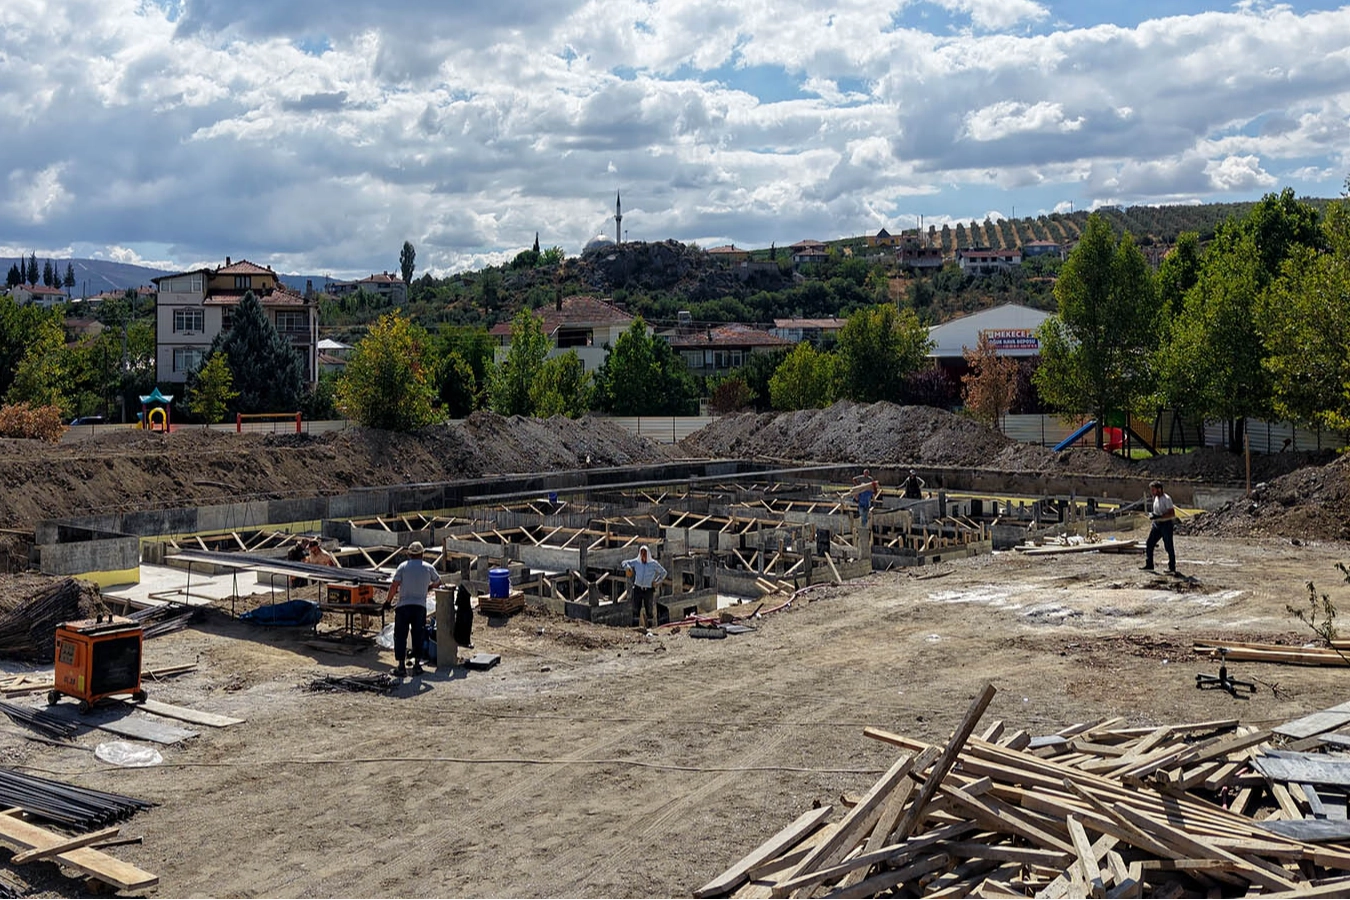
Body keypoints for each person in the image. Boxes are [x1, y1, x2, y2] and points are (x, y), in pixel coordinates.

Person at [384, 541, 440, 677]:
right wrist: (429, 587)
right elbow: (438, 582)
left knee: (400, 636)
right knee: (418, 636)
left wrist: (388, 602)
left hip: (403, 607)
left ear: (409, 554)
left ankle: (401, 667)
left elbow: (394, 586)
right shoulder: (428, 568)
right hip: (419, 607)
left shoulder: (402, 567)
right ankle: (417, 666)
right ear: (422, 554)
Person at [622, 545, 667, 628]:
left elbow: (664, 572)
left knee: (649, 610)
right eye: (641, 554)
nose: (643, 556)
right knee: (635, 609)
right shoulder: (637, 562)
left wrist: (657, 582)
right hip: (637, 589)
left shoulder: (653, 564)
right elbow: (624, 562)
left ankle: (649, 629)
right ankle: (635, 628)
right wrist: (628, 568)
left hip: (648, 590)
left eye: (644, 554)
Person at [1142, 481, 1177, 574]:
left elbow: (1172, 513)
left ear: (1159, 489)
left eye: (1153, 489)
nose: (1152, 492)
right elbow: (1156, 511)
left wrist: (1160, 516)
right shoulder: (1155, 498)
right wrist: (1153, 515)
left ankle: (1172, 567)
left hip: (1166, 524)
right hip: (1157, 525)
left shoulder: (1167, 499)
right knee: (1149, 543)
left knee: (1168, 545)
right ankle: (1149, 564)